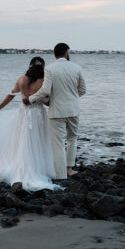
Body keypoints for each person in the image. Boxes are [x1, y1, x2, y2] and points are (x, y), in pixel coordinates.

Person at [0, 56, 63, 191]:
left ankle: (21, 167)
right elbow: (46, 101)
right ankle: (36, 168)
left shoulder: (22, 79)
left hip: (23, 114)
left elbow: (11, 95)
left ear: (30, 66)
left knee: (22, 140)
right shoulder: (43, 81)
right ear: (43, 68)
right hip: (37, 114)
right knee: (38, 141)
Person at [26, 42, 86, 178]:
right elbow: (83, 90)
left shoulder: (50, 69)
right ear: (66, 53)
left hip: (57, 110)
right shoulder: (77, 68)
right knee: (72, 139)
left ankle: (60, 175)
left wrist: (30, 99)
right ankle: (69, 169)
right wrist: (73, 98)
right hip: (73, 110)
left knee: (58, 142)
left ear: (55, 54)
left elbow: (45, 91)